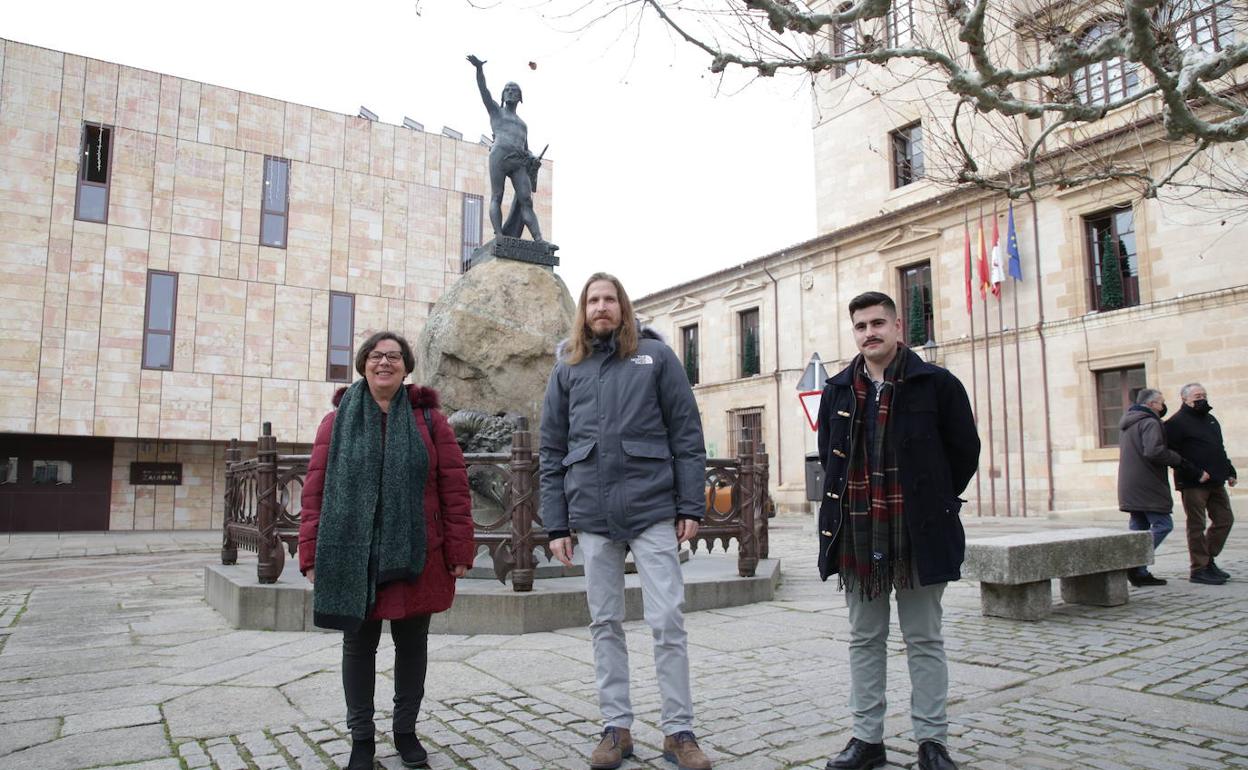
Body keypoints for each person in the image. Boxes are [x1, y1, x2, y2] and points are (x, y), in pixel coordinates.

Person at [539, 273, 712, 770]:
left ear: (623, 306)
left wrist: (689, 506)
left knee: (668, 621)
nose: (601, 307)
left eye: (609, 299)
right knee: (604, 623)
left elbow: (686, 434)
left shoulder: (656, 357)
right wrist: (556, 525)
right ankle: (617, 728)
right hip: (591, 515)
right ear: (583, 310)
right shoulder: (567, 367)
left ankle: (679, 732)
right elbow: (551, 449)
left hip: (653, 508)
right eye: (593, 300)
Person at [816, 292, 979, 770]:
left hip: (919, 531)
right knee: (865, 638)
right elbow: (830, 455)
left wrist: (934, 499)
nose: (870, 332)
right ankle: (867, 740)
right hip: (859, 530)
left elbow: (964, 451)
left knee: (924, 638)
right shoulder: (838, 389)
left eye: (878, 323)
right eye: (861, 325)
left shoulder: (938, 384)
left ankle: (932, 742)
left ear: (898, 327)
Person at [298, 331, 475, 770]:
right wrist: (310, 554)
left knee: (411, 646)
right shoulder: (336, 421)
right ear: (363, 364)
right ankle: (361, 740)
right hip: (352, 554)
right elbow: (315, 493)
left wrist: (459, 550)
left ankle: (405, 732)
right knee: (358, 647)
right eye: (376, 356)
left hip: (417, 552)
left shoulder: (430, 420)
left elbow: (454, 489)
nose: (384, 364)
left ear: (406, 366)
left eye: (394, 357)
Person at [1117, 388, 1207, 587]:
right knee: (1163, 525)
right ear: (1151, 405)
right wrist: (1178, 459)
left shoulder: (1129, 421)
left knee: (1139, 526)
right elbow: (1154, 451)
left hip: (1130, 483)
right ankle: (1133, 563)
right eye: (1161, 403)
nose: (1163, 406)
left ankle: (1140, 572)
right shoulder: (1150, 422)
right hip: (1147, 482)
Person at [467, 54, 545, 241]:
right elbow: (483, 90)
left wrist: (533, 157)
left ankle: (539, 239)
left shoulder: (523, 125)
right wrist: (479, 69)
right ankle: (499, 236)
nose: (510, 92)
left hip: (518, 161)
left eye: (514, 90)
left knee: (526, 200)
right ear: (502, 95)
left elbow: (526, 148)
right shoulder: (496, 112)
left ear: (520, 97)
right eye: (507, 90)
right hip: (499, 156)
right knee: (497, 196)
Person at [1166, 382, 1237, 585]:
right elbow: (1172, 454)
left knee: (1225, 520)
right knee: (1197, 525)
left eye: (1204, 394)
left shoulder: (1211, 420)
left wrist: (1229, 470)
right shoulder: (1176, 423)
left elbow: (1219, 449)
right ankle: (1199, 569)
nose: (1201, 398)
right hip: (1193, 483)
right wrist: (1196, 472)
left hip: (1216, 481)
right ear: (1185, 399)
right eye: (1197, 395)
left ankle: (1207, 559)